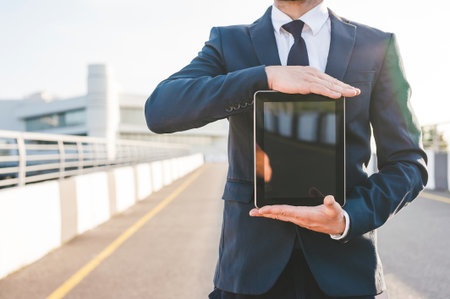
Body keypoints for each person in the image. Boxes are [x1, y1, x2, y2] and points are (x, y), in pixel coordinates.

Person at [145, 0, 428, 298]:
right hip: (248, 270)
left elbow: (408, 162)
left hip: (345, 272)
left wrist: (349, 217)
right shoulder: (229, 42)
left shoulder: (377, 45)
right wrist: (265, 77)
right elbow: (161, 110)